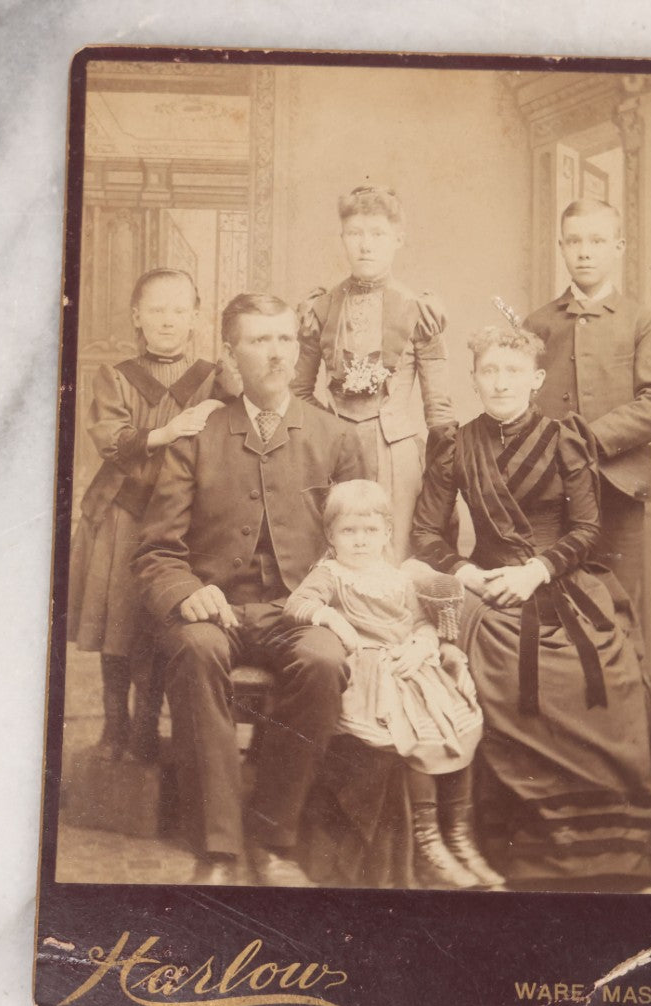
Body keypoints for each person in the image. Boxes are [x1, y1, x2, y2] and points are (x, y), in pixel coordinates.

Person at [412, 324, 651, 890]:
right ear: (475, 378)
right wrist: (470, 575)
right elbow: (426, 535)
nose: (500, 382)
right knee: (503, 674)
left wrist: (536, 570)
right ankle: (524, 847)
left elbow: (586, 528)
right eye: (489, 371)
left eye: (512, 372)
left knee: (614, 677)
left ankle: (609, 851)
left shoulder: (565, 439)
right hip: (488, 589)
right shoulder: (454, 443)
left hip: (560, 579)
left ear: (535, 380)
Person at [133, 293, 364, 887]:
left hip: (299, 608)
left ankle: (275, 839)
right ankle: (217, 848)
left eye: (285, 339)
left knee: (323, 658)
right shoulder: (197, 433)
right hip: (215, 609)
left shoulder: (333, 436)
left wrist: (327, 602)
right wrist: (185, 590)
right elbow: (157, 548)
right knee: (196, 648)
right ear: (231, 352)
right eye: (260, 340)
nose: (276, 353)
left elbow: (360, 545)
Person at [283, 479, 502, 889]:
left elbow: (419, 621)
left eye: (371, 531)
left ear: (386, 534)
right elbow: (298, 603)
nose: (361, 541)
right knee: (411, 737)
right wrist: (332, 618)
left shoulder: (397, 577)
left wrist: (423, 643)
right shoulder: (330, 574)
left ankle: (459, 836)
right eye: (349, 531)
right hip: (371, 675)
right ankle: (429, 841)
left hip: (410, 666)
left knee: (456, 725)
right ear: (331, 536)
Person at [67, 268, 224, 762]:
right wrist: (169, 431)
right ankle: (115, 726)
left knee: (158, 623)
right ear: (137, 316)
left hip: (181, 521)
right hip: (124, 516)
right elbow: (111, 438)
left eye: (179, 310)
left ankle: (145, 729)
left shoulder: (214, 377)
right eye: (156, 309)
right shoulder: (115, 376)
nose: (168, 320)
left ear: (196, 317)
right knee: (118, 625)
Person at [523, 198, 651, 606]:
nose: (584, 251)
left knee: (617, 606)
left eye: (596, 240)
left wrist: (583, 437)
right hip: (550, 495)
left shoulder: (642, 321)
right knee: (551, 606)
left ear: (619, 247)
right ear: (561, 247)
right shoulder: (538, 323)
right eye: (574, 241)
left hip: (618, 492)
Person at [292, 185, 457, 560]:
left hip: (395, 452)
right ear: (342, 239)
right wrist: (330, 429)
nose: (365, 245)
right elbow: (298, 391)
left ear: (398, 239)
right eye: (355, 234)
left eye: (378, 234)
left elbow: (440, 411)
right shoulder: (320, 308)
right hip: (332, 452)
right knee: (333, 557)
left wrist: (443, 478)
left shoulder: (419, 311)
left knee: (393, 558)